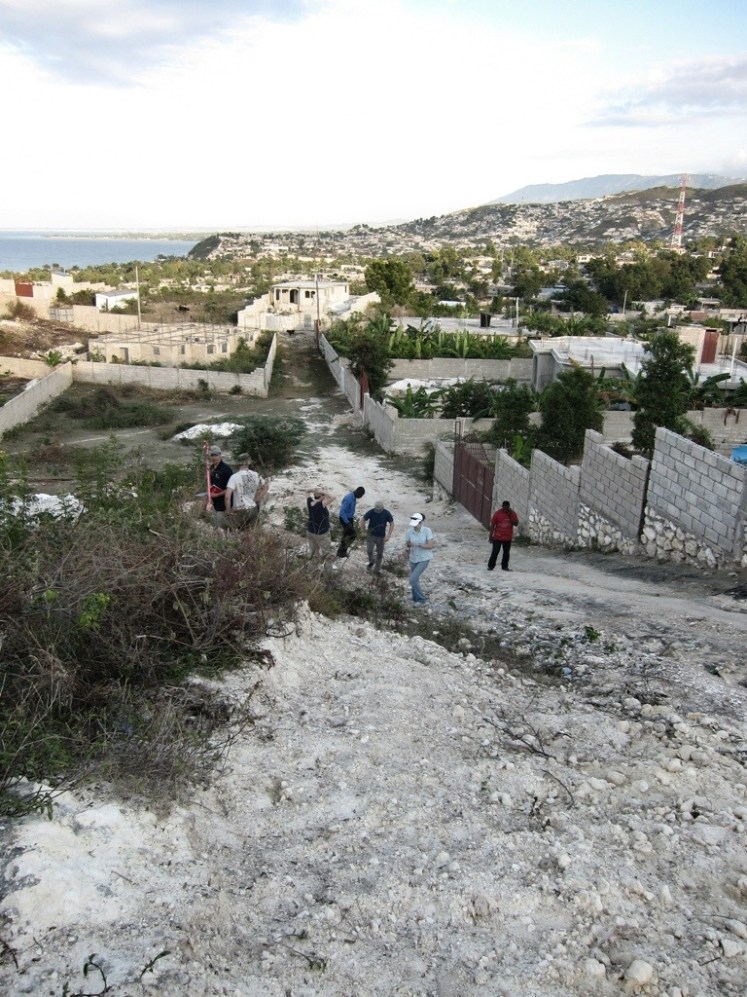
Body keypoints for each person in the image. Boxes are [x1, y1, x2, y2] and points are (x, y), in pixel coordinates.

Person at [224, 453, 267, 529]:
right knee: (250, 532)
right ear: (249, 462)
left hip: (240, 510)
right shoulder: (256, 474)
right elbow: (265, 487)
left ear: (238, 463)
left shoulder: (234, 477)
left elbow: (227, 496)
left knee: (227, 528)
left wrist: (228, 511)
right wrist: (255, 499)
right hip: (253, 509)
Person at [404, 512, 435, 605]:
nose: (414, 526)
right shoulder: (409, 532)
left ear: (421, 523)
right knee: (415, 579)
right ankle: (415, 598)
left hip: (424, 558)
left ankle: (421, 599)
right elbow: (407, 544)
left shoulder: (427, 531)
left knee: (412, 579)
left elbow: (431, 545)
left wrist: (418, 545)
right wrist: (408, 546)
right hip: (413, 558)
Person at [361, 500, 394, 574]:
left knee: (379, 554)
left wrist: (388, 535)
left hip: (381, 536)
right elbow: (363, 519)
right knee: (369, 551)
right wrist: (363, 531)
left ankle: (377, 570)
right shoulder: (371, 512)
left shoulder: (386, 513)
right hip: (371, 535)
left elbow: (392, 524)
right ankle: (371, 561)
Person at [206, 445, 233, 529]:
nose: (214, 457)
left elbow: (231, 488)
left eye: (216, 455)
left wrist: (217, 495)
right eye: (212, 455)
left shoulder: (226, 469)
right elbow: (209, 485)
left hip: (224, 505)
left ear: (220, 455)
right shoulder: (210, 469)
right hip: (215, 505)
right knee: (218, 527)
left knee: (221, 529)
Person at [488, 500, 519, 571]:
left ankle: (504, 567)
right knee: (495, 552)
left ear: (508, 507)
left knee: (506, 553)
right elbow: (492, 525)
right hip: (497, 537)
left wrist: (510, 515)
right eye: (504, 507)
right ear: (502, 506)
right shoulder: (497, 513)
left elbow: (516, 523)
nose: (505, 509)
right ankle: (491, 566)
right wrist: (490, 536)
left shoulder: (512, 514)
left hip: (507, 538)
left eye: (506, 507)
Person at [306, 487, 335, 559]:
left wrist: (315, 490)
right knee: (327, 554)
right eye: (324, 495)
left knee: (314, 554)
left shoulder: (310, 502)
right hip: (321, 533)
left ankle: (313, 568)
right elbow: (333, 497)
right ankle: (328, 569)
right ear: (322, 496)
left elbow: (307, 491)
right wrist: (323, 492)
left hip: (310, 531)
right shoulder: (321, 504)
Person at [337, 486, 365, 558]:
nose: (361, 497)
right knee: (350, 535)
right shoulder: (348, 498)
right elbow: (342, 512)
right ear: (358, 492)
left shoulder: (354, 497)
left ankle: (342, 551)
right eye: (361, 495)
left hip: (350, 518)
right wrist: (347, 523)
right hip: (345, 518)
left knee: (349, 535)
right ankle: (341, 552)